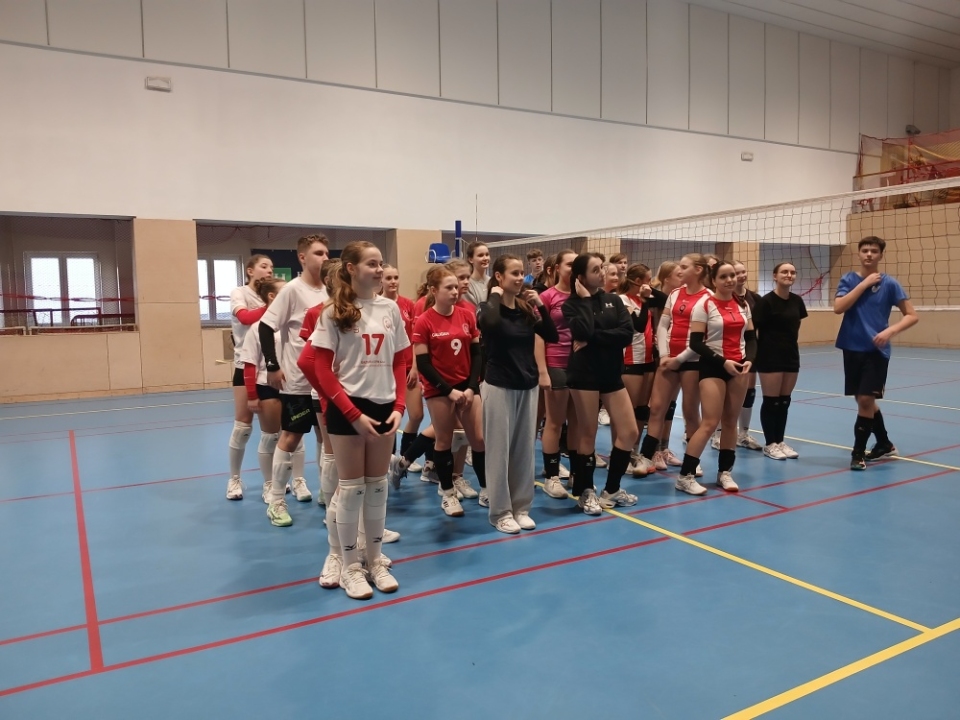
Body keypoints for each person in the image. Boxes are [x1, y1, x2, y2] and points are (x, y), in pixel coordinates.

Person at [310, 241, 409, 599]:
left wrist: (399, 406)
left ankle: (375, 559)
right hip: (347, 408)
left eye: (381, 263)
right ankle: (350, 566)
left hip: (384, 407)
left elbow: (400, 359)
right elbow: (320, 368)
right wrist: (352, 414)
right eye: (372, 264)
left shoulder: (390, 308)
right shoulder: (333, 311)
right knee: (351, 489)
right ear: (351, 268)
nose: (379, 270)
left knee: (377, 486)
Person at [392, 266, 484, 515]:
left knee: (476, 438)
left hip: (466, 386)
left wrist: (472, 387)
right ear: (434, 290)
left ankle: (485, 489)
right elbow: (423, 362)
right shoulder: (424, 320)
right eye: (450, 287)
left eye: (457, 286)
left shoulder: (467, 314)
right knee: (443, 437)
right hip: (439, 387)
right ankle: (447, 492)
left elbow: (477, 354)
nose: (456, 290)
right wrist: (448, 390)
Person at [479, 254, 558, 534]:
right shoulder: (488, 308)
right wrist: (494, 295)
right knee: (499, 451)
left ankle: (521, 507)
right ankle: (500, 511)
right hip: (499, 385)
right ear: (499, 276)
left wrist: (541, 306)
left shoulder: (525, 310)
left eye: (521, 273)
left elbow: (552, 335)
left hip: (527, 385)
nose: (519, 278)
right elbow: (489, 324)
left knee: (524, 450)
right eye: (513, 273)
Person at [258, 235, 330, 525]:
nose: (324, 258)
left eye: (326, 253)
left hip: (326, 381)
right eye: (318, 253)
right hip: (299, 381)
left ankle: (328, 492)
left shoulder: (333, 290)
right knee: (290, 436)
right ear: (302, 257)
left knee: (328, 439)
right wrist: (272, 366)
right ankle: (276, 500)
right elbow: (266, 327)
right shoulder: (292, 290)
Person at [834, 235, 918, 470]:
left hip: (876, 351)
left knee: (865, 399)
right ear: (859, 254)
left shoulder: (890, 284)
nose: (869, 254)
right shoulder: (849, 279)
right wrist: (863, 284)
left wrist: (890, 331)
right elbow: (839, 307)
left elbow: (912, 315)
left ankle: (857, 454)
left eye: (873, 251)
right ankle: (884, 443)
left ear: (881, 255)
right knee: (863, 400)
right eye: (865, 250)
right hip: (851, 348)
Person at [563, 254, 638, 513]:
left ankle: (611, 489)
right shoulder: (571, 305)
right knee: (588, 433)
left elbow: (626, 334)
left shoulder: (614, 300)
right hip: (584, 375)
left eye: (602, 268)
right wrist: (585, 301)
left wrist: (593, 338)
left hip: (611, 374)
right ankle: (586, 492)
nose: (602, 273)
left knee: (629, 432)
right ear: (581, 277)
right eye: (595, 270)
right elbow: (581, 331)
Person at [633, 254, 713, 483]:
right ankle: (646, 457)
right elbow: (663, 325)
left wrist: (680, 359)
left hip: (693, 360)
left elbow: (704, 337)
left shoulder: (708, 298)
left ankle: (692, 461)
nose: (680, 270)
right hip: (669, 359)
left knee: (690, 412)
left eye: (684, 267)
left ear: (698, 270)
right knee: (657, 408)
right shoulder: (675, 294)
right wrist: (665, 355)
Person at [680, 261, 757, 494]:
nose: (730, 280)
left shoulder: (743, 304)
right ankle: (685, 476)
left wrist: (749, 360)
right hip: (714, 366)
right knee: (710, 422)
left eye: (732, 275)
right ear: (713, 281)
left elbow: (751, 338)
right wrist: (723, 362)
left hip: (739, 367)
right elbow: (695, 343)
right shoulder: (704, 305)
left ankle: (725, 473)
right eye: (723, 276)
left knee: (730, 422)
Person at [226, 254, 274, 500]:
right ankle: (234, 479)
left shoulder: (272, 296)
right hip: (245, 365)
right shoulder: (240, 293)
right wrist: (272, 307)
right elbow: (244, 317)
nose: (269, 270)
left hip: (270, 369)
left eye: (271, 267)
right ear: (250, 271)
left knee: (272, 432)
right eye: (264, 266)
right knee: (243, 426)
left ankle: (271, 482)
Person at [535, 249, 580, 499]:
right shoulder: (547, 296)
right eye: (569, 264)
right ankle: (552, 477)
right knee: (554, 421)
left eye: (577, 264)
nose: (573, 268)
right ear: (557, 268)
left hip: (581, 366)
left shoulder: (584, 295)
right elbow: (539, 336)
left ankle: (575, 474)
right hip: (556, 363)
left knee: (577, 422)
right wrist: (543, 371)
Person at [753, 262, 807, 460]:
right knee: (772, 401)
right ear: (775, 276)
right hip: (769, 356)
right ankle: (770, 444)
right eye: (784, 272)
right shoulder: (766, 302)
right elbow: (753, 330)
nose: (789, 275)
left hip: (791, 355)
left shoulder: (797, 301)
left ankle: (780, 440)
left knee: (784, 401)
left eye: (793, 272)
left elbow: (795, 326)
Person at [238, 276, 284, 504]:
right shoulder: (258, 328)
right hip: (267, 387)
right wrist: (252, 395)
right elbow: (249, 365)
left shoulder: (292, 325)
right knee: (271, 437)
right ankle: (269, 484)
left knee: (291, 438)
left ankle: (292, 481)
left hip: (292, 388)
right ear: (272, 297)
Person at [618, 264, 657, 473]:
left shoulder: (645, 300)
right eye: (648, 280)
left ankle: (633, 451)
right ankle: (622, 454)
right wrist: (644, 300)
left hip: (648, 358)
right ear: (638, 281)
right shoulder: (623, 300)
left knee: (642, 409)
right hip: (631, 359)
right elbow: (638, 325)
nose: (650, 284)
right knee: (629, 411)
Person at [464, 241, 491, 306]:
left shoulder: (492, 281)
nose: (485, 258)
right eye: (480, 255)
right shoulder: (467, 284)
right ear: (471, 260)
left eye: (487, 254)